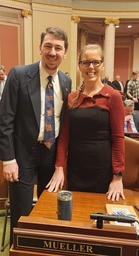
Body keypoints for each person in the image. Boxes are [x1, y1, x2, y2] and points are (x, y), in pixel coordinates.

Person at [0, 26, 72, 244]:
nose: (52, 52)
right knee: (22, 215)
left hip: (50, 155)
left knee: (49, 210)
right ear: (40, 48)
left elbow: (63, 122)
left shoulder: (66, 82)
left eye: (58, 48)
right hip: (22, 156)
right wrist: (8, 159)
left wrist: (60, 164)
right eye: (48, 46)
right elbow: (5, 120)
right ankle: (19, 249)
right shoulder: (19, 75)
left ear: (65, 53)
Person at [47, 44, 125, 202]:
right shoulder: (72, 97)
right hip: (76, 169)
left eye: (96, 62)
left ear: (102, 65)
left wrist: (118, 177)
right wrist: (59, 167)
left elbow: (118, 139)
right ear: (79, 66)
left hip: (102, 170)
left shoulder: (113, 96)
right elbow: (64, 136)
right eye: (86, 62)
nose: (91, 67)